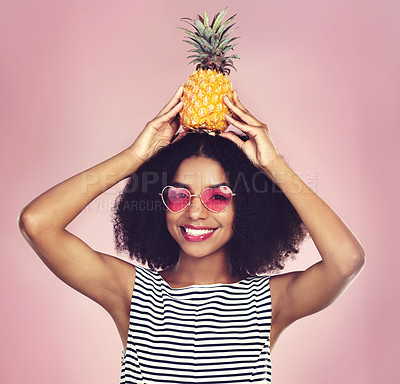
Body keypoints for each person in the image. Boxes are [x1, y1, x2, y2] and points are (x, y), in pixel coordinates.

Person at [18, 86, 365, 383]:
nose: (196, 212)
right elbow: (37, 222)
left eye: (218, 196)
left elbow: (346, 260)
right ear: (161, 203)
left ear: (245, 207)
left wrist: (273, 166)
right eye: (179, 195)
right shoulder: (133, 294)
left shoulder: (268, 302)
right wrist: (135, 157)